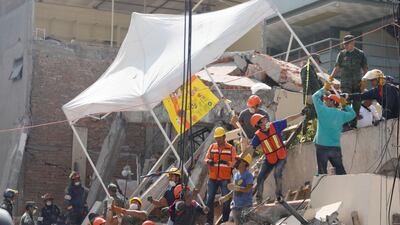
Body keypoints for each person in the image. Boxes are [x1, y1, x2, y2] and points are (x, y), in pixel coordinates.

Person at [250, 110, 304, 202]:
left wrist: (300, 114)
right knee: (260, 177)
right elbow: (251, 148)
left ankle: (279, 196)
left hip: (281, 155)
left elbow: (287, 120)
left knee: (277, 173)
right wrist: (244, 160)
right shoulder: (258, 136)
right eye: (263, 120)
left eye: (265, 119)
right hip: (269, 159)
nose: (266, 120)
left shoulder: (274, 125)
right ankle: (259, 199)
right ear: (259, 125)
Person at [313, 83, 356, 175]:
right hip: (335, 147)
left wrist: (324, 89)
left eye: (327, 100)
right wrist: (345, 105)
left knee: (321, 173)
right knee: (340, 172)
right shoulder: (341, 115)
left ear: (333, 102)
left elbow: (314, 97)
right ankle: (345, 187)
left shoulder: (322, 110)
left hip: (321, 145)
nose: (325, 101)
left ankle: (322, 188)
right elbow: (353, 114)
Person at [330, 34, 368, 128]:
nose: (345, 46)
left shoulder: (360, 54)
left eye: (347, 44)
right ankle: (345, 124)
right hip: (345, 83)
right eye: (344, 44)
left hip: (357, 83)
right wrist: (330, 78)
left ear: (353, 42)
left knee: (357, 104)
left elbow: (365, 68)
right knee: (345, 102)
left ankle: (353, 124)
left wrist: (365, 80)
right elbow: (337, 67)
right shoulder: (342, 54)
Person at [204, 127, 237, 224]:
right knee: (209, 200)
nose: (217, 140)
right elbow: (205, 159)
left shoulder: (231, 148)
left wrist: (227, 162)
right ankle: (209, 222)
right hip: (212, 178)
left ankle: (225, 221)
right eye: (216, 138)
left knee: (226, 201)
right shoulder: (212, 147)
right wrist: (208, 161)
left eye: (219, 138)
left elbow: (234, 163)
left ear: (224, 137)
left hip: (225, 179)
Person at [300, 53, 323, 136]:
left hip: (316, 97)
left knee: (315, 114)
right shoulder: (306, 69)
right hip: (311, 96)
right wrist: (308, 95)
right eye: (317, 61)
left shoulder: (312, 70)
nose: (318, 64)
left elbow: (316, 83)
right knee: (310, 114)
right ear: (314, 60)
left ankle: (313, 133)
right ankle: (304, 134)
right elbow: (305, 82)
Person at [229, 154, 253, 225]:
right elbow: (234, 189)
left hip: (246, 205)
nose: (237, 162)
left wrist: (237, 188)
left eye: (239, 161)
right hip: (236, 206)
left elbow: (248, 189)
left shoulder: (248, 175)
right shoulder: (236, 175)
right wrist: (225, 197)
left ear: (244, 163)